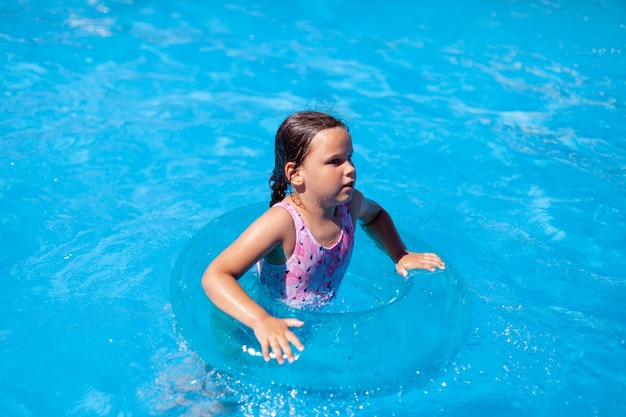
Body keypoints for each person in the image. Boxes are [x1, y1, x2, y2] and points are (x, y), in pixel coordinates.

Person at [202, 111, 445, 365]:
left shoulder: (350, 206)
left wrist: (400, 254)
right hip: (255, 325)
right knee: (223, 389)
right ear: (296, 174)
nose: (350, 169)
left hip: (304, 324)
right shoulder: (282, 223)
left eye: (350, 158)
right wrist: (260, 320)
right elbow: (216, 275)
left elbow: (376, 215)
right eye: (334, 162)